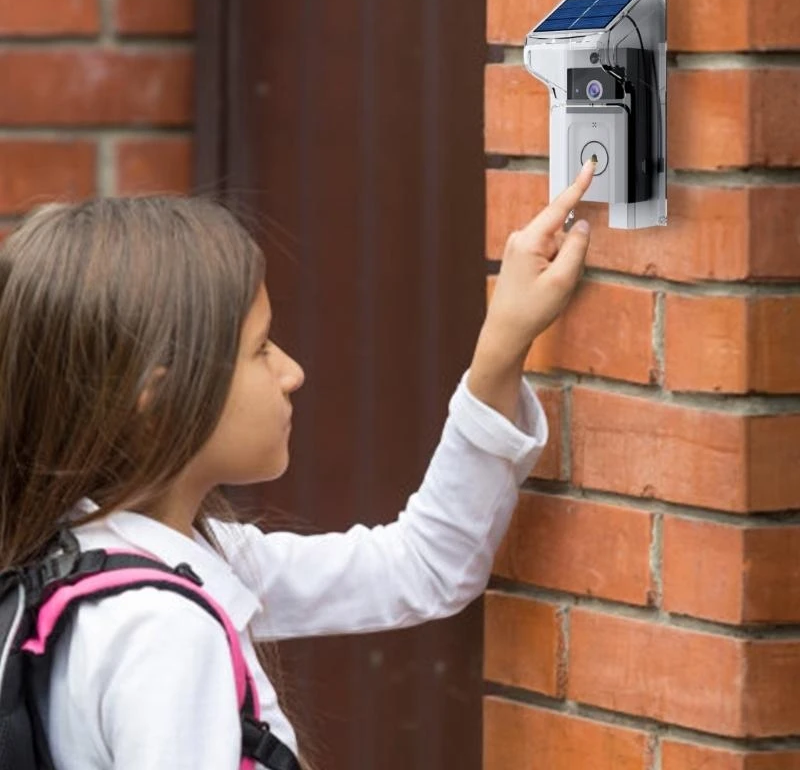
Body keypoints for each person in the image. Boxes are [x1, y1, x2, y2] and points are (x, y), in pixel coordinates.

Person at [0, 158, 596, 769]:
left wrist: (500, 350)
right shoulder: (162, 629)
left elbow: (421, 567)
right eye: (260, 348)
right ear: (156, 397)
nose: (292, 373)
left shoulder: (71, 562)